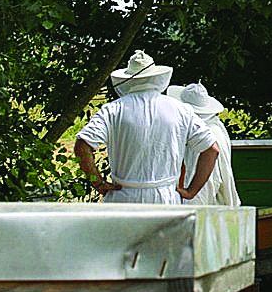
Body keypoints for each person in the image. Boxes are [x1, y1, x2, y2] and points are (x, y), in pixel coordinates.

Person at [75, 50, 219, 204]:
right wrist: (192, 191)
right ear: (157, 78)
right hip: (166, 199)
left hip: (124, 198)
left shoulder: (113, 110)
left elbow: (82, 145)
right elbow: (211, 149)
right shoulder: (180, 109)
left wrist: (98, 183)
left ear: (128, 79)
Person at [166, 83, 240, 206]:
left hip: (209, 208)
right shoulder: (216, 125)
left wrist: (189, 197)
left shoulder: (202, 136)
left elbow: (209, 183)